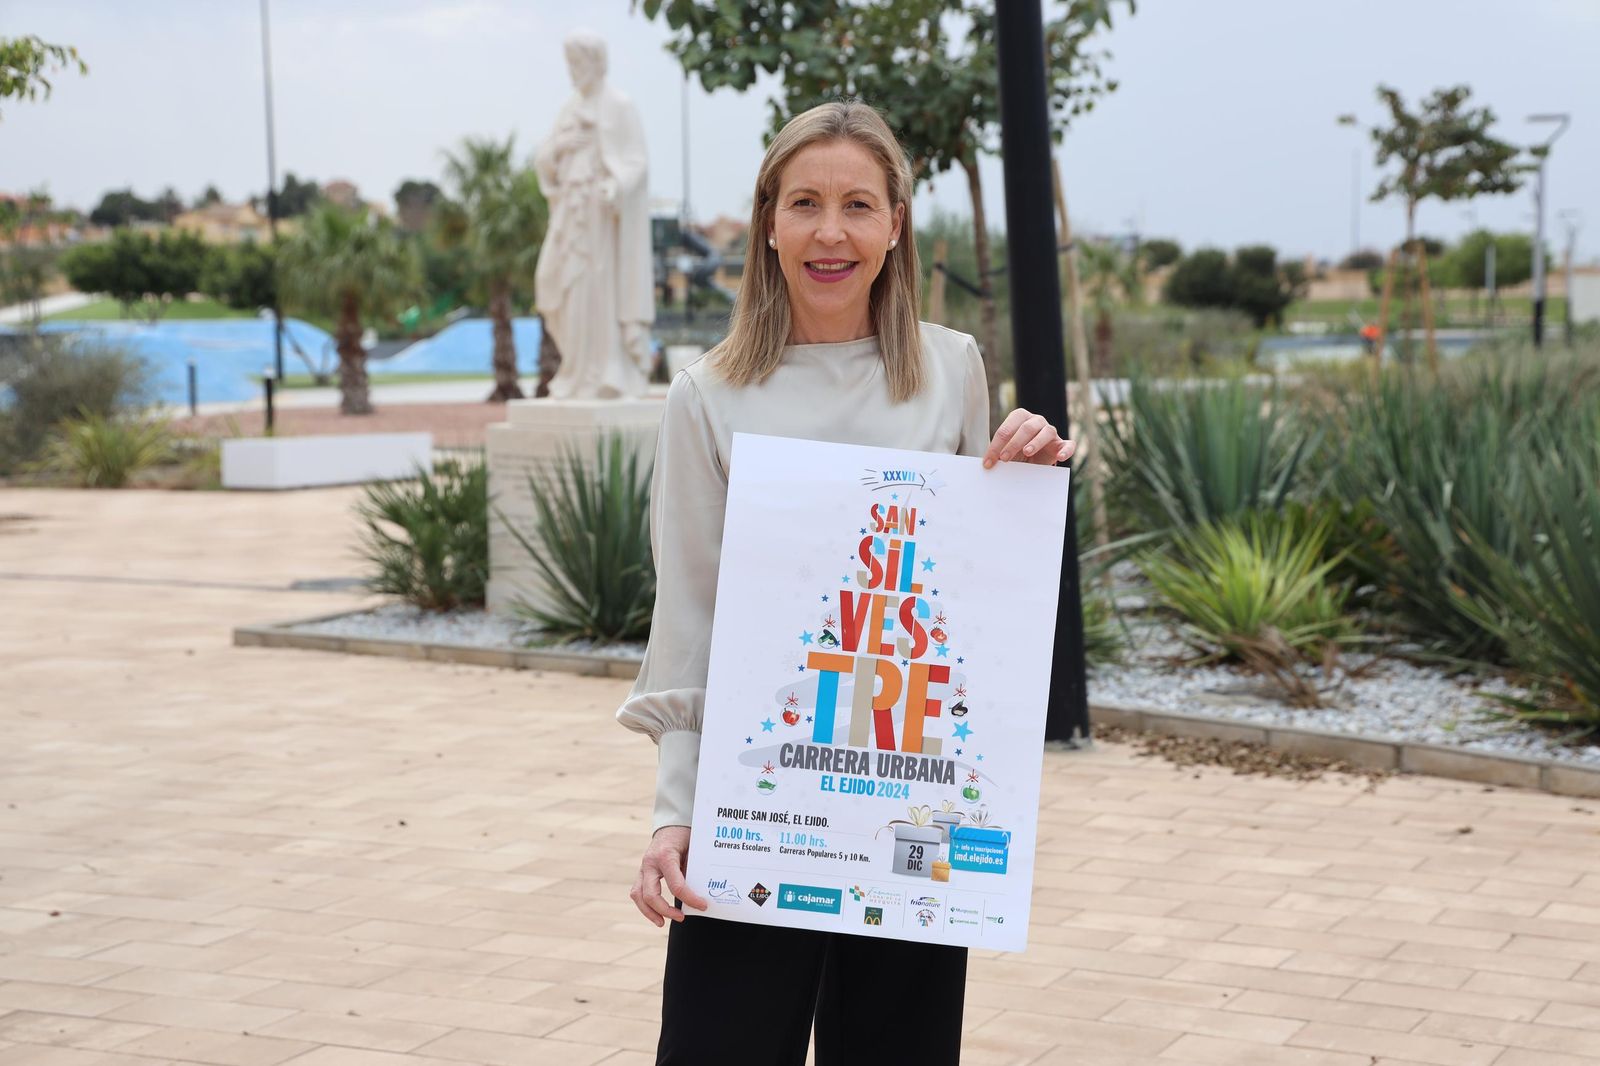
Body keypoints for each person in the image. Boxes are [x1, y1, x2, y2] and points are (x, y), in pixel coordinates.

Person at [618, 100, 1075, 1066]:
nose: (832, 232)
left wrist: (1024, 479)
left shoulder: (951, 372)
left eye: (859, 205)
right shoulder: (707, 394)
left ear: (896, 224)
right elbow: (692, 614)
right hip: (758, 810)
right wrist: (673, 817)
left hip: (906, 810)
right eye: (806, 203)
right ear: (770, 223)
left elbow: (966, 597)